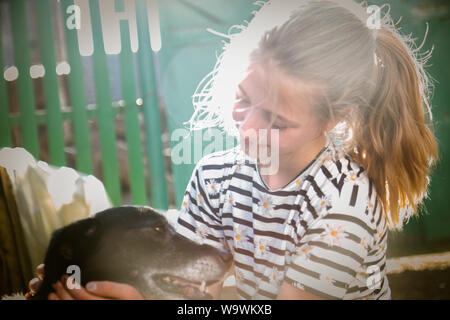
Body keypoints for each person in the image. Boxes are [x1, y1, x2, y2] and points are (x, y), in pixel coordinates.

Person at [26, 0, 438, 300]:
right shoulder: (215, 176)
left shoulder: (344, 201)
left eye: (278, 122)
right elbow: (189, 289)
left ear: (333, 119)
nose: (249, 129)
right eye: (244, 99)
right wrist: (76, 285)